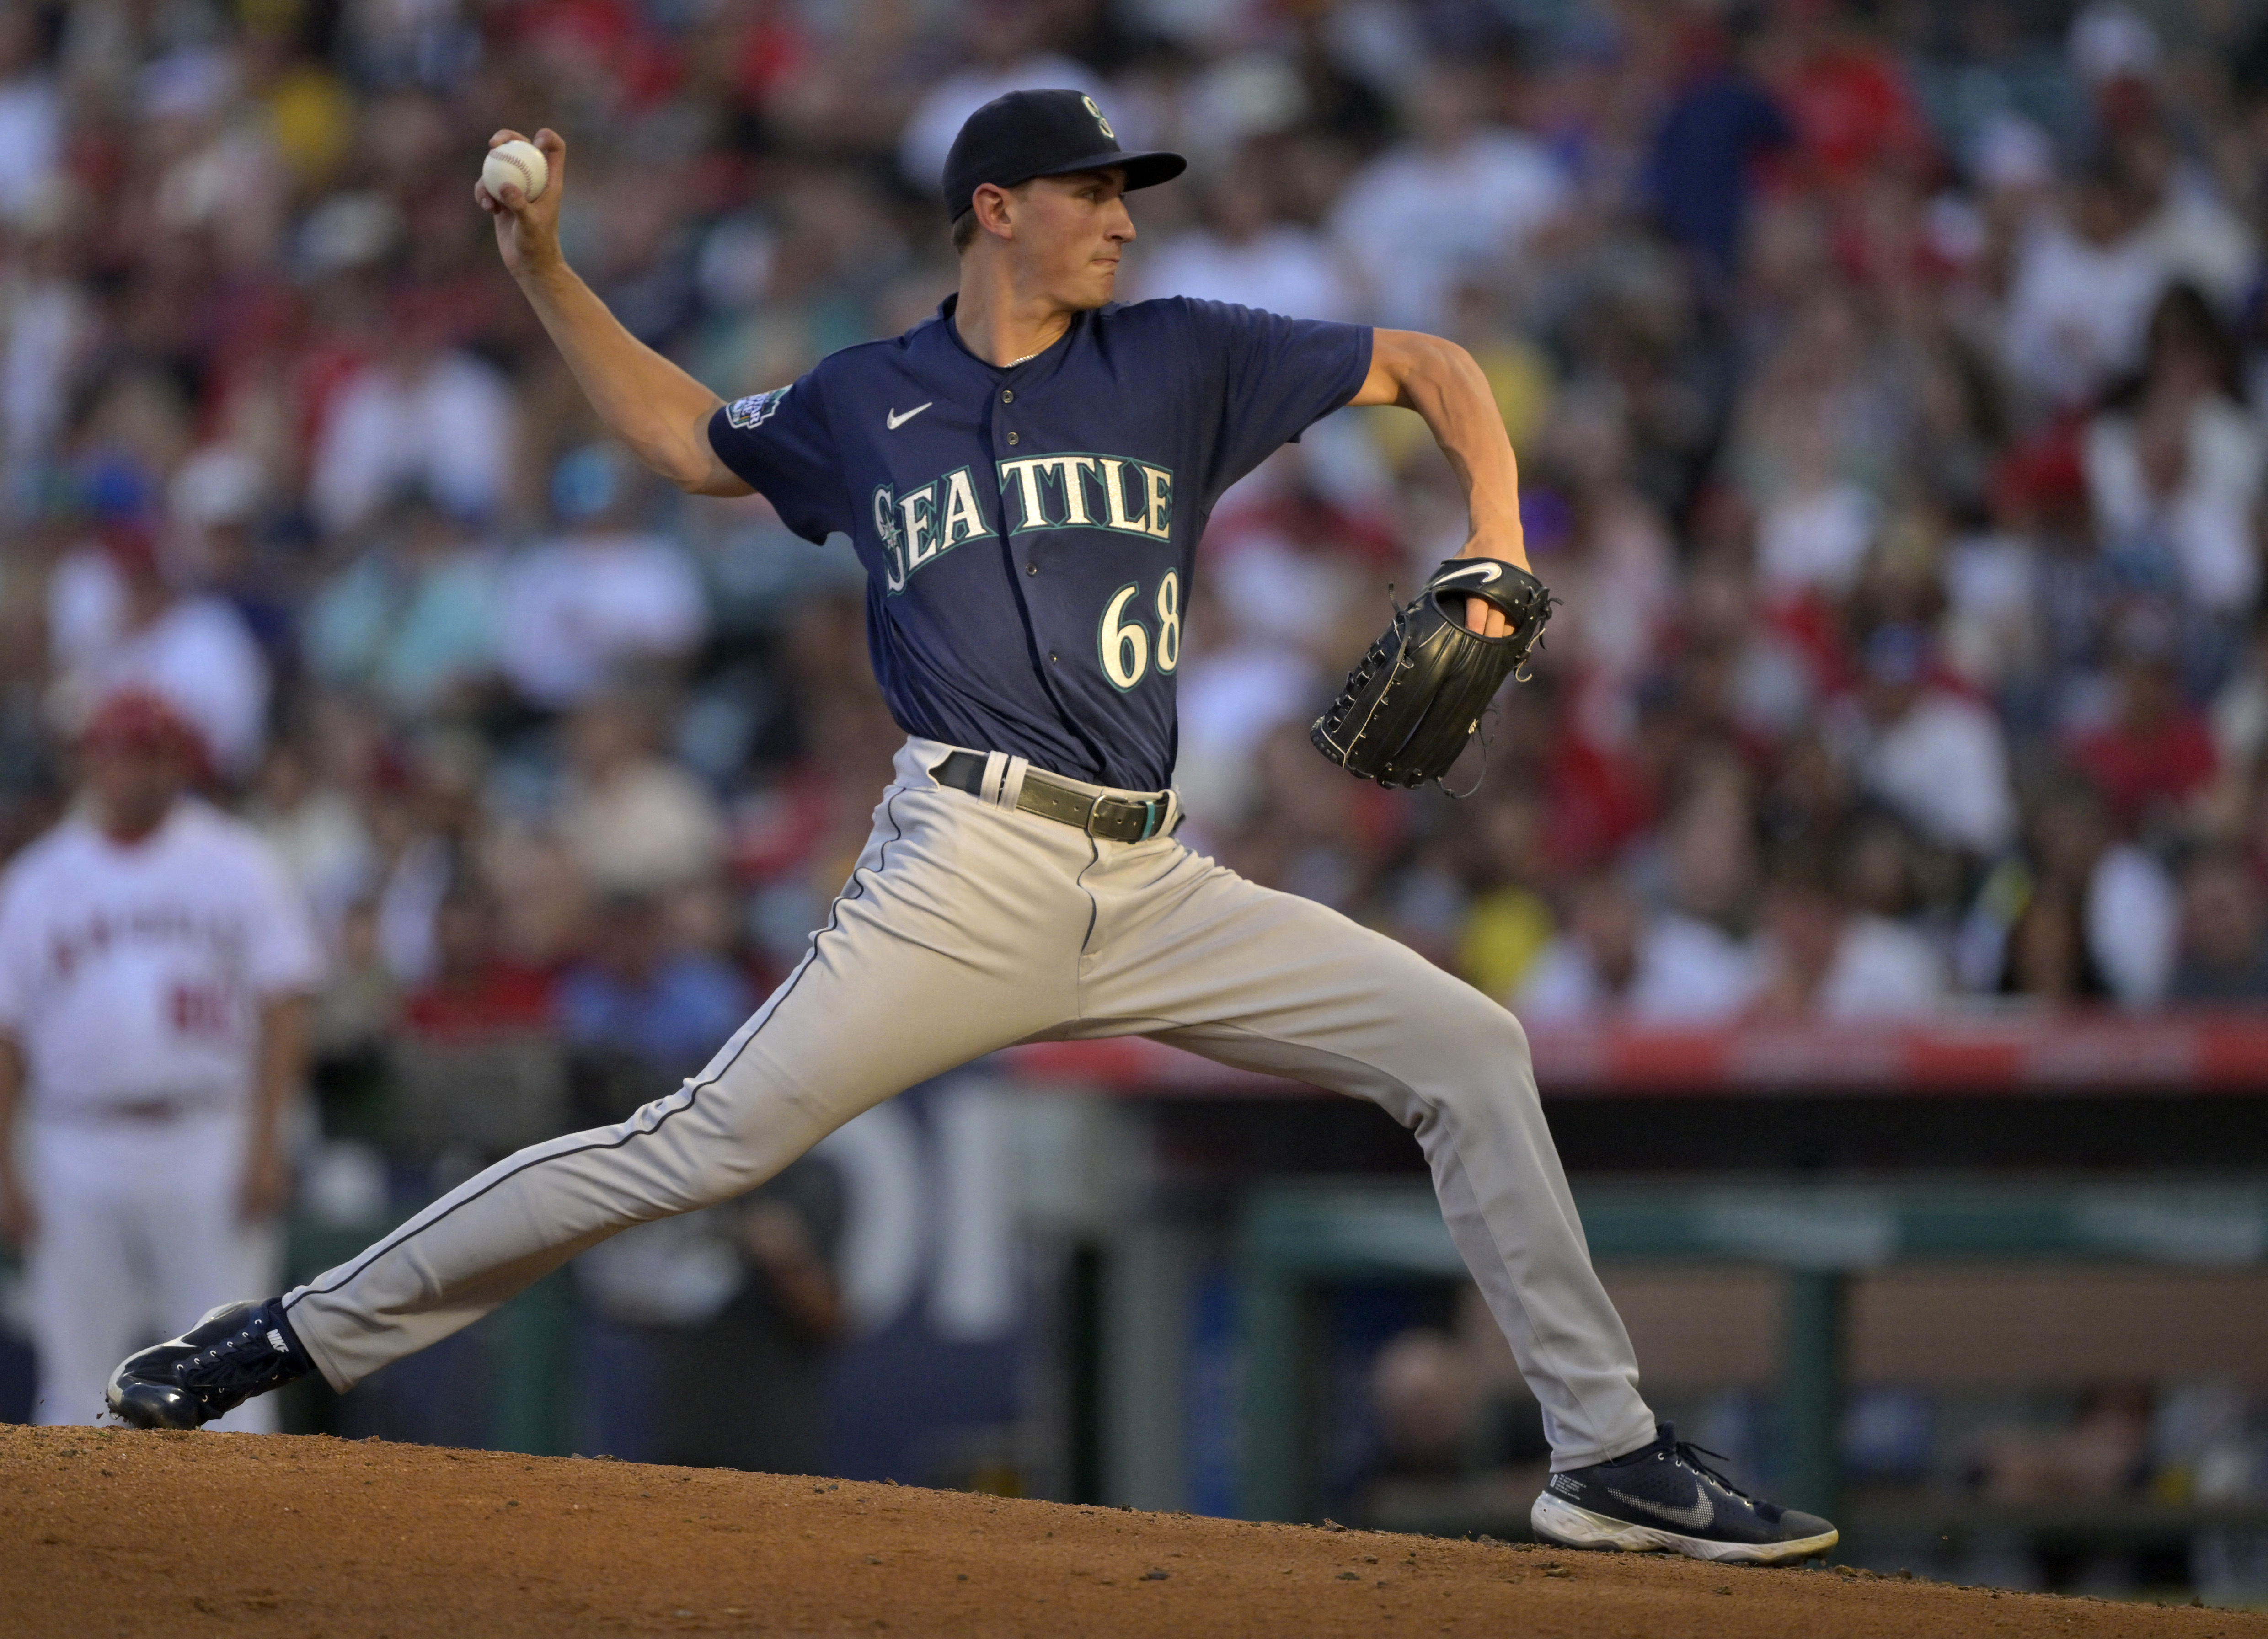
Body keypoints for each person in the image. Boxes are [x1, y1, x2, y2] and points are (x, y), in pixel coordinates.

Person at [107, 90, 1836, 1565]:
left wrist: (1501, 531)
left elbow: (1436, 364)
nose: (1121, 224)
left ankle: (1605, 1452)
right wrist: (549, 268)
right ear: (993, 211)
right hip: (967, 864)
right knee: (701, 1146)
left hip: (1157, 874)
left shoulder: (1184, 359)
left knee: (1470, 1046)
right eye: (1094, 194)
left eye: (1127, 196)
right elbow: (678, 437)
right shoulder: (869, 399)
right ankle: (289, 1331)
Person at [0, 689, 321, 1427]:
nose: (136, 771)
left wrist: (267, 1144)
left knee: (234, 1358)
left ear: (180, 760)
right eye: (120, 752)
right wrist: (6, 1165)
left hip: (208, 1130)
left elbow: (287, 1006)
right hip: (74, 1139)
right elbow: (8, 1036)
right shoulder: (39, 879)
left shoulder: (238, 862)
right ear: (90, 760)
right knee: (75, 1371)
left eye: (153, 753)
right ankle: (69, 1539)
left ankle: (238, 1536)